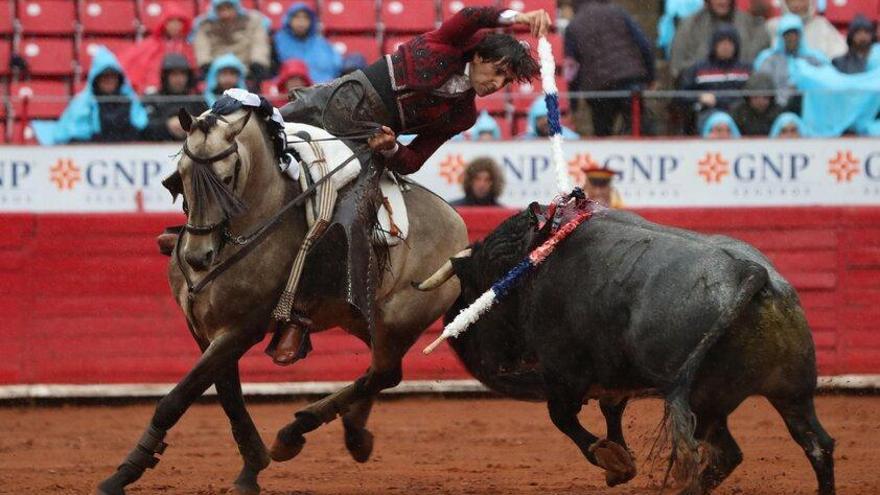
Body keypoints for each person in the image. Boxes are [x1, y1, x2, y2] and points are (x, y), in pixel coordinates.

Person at [270, 6, 550, 365]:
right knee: (245, 135)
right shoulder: (447, 44)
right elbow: (471, 15)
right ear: (479, 55)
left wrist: (391, 148)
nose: (497, 84)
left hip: (366, 144)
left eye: (506, 81)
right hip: (334, 104)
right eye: (496, 71)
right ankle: (192, 231)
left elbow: (414, 160)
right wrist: (519, 17)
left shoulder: (464, 114)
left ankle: (300, 317)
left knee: (349, 221)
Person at [564, 0, 655, 136]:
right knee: (638, 130)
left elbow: (572, 68)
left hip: (598, 88)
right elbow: (644, 45)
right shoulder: (618, 12)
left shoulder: (573, 26)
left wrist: (573, 103)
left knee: (603, 135)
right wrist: (651, 76)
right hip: (629, 81)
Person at [32, 46, 146, 145]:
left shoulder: (130, 101)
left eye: (112, 77)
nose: (109, 81)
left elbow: (140, 127)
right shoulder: (83, 104)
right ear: (96, 79)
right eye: (105, 77)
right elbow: (73, 135)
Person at [669, 0, 770, 81]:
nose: (723, 2)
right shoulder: (689, 26)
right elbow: (677, 68)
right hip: (702, 90)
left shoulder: (752, 25)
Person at [678, 24, 751, 132]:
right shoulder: (698, 69)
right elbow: (682, 95)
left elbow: (751, 94)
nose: (726, 46)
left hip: (739, 113)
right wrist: (699, 97)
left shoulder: (746, 69)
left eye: (730, 43)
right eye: (722, 42)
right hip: (708, 113)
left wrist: (719, 100)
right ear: (714, 45)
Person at [754, 13, 829, 111]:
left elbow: (826, 82)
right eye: (787, 35)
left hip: (810, 108)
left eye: (795, 34)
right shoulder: (768, 59)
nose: (792, 38)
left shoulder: (815, 58)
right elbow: (762, 86)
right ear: (781, 37)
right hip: (776, 108)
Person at [118, 3, 194, 94]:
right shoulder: (150, 45)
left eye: (179, 21)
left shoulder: (188, 47)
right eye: (171, 21)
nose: (175, 25)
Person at [193, 0, 271, 87]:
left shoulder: (253, 21)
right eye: (221, 9)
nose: (226, 14)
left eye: (229, 8)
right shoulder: (205, 25)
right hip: (216, 72)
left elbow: (259, 44)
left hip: (247, 70)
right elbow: (202, 48)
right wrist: (206, 65)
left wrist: (258, 63)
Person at [142, 54, 208, 141]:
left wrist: (192, 125)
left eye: (183, 74)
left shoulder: (197, 100)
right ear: (165, 77)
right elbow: (143, 128)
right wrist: (166, 126)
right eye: (174, 74)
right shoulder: (153, 99)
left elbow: (208, 126)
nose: (179, 79)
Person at [273, 2, 342, 84]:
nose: (301, 21)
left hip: (323, 88)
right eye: (296, 17)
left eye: (306, 18)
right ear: (289, 19)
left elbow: (336, 65)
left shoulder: (321, 43)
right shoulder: (276, 42)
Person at [766, 0, 846, 59]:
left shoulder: (822, 25)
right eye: (791, 1)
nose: (797, 5)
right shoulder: (772, 26)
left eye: (802, 1)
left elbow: (839, 54)